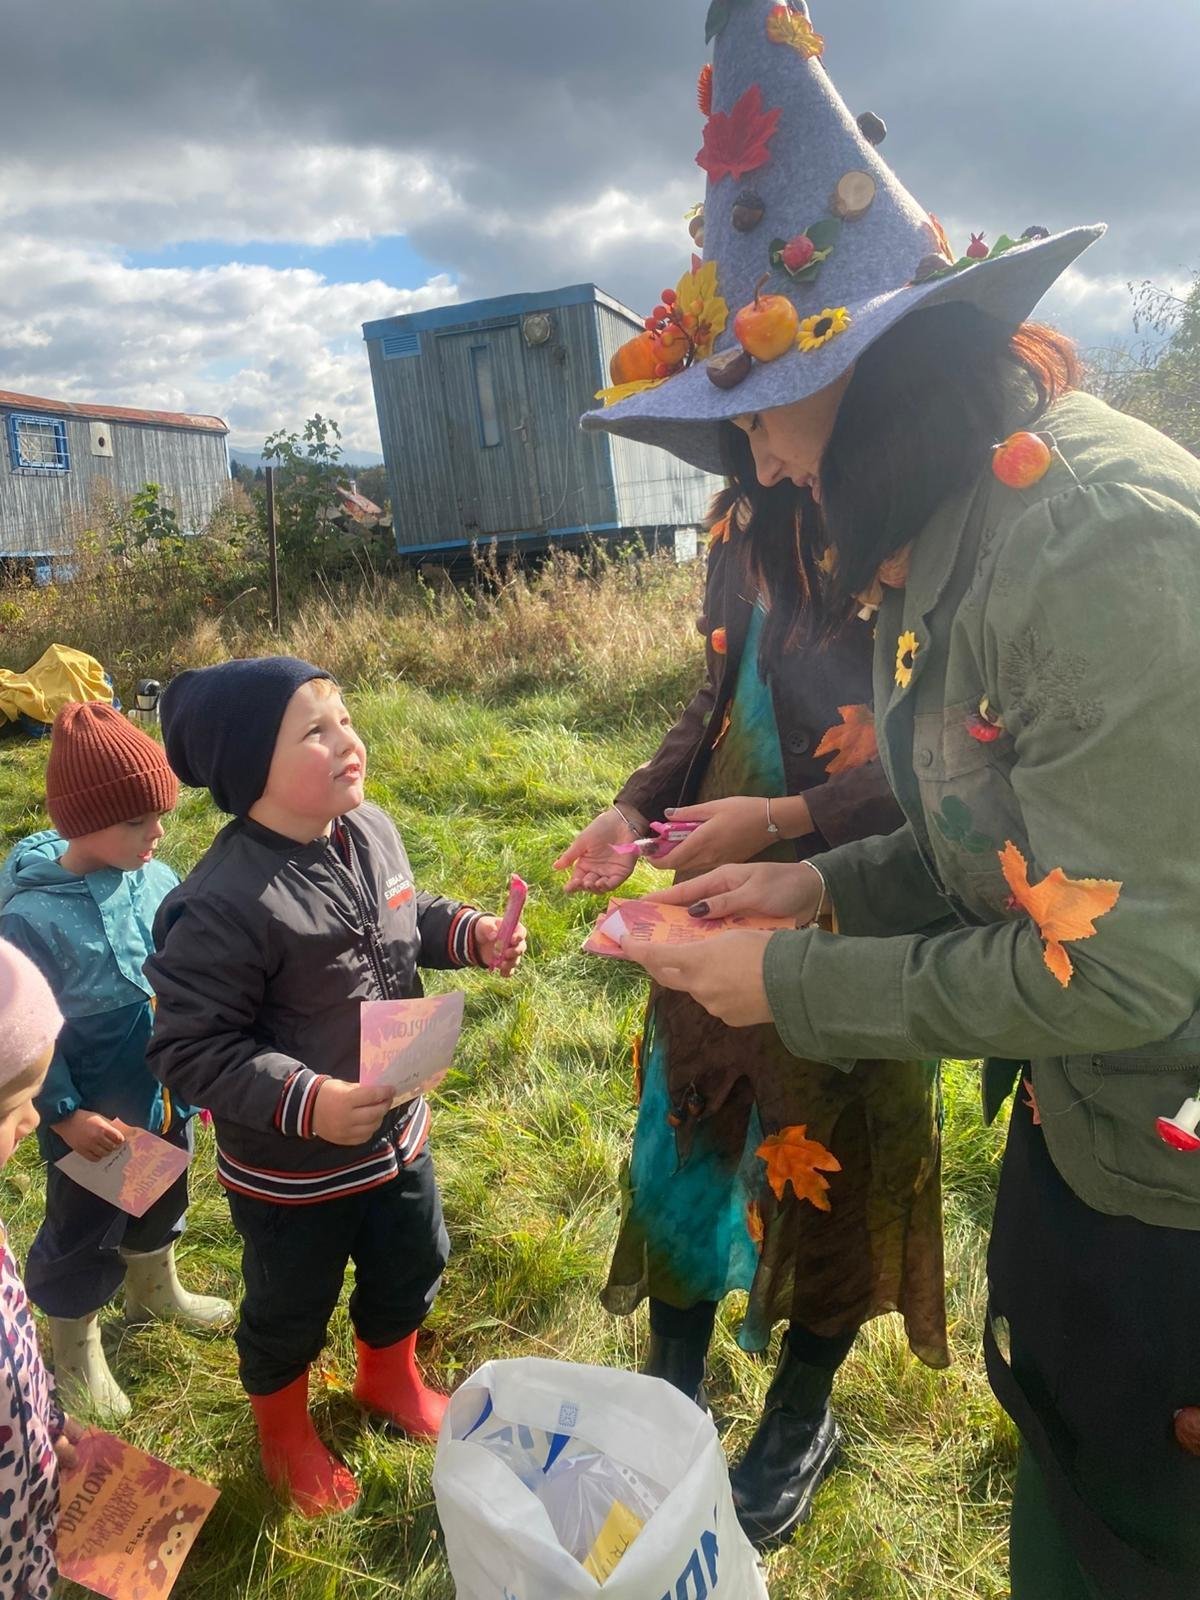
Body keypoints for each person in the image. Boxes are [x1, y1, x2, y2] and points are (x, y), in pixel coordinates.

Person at [583, 3, 1200, 1595]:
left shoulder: (1094, 545)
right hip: (1090, 1129)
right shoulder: (965, 529)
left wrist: (791, 975)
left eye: (761, 412)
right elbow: (1002, 846)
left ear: (870, 374)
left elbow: (1121, 968)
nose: (758, 462)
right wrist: (819, 888)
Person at [556, 484, 948, 1548]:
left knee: (833, 1158)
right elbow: (718, 692)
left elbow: (946, 753)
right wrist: (634, 807)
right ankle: (671, 1389)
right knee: (689, 1131)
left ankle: (801, 1411)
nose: (761, 455)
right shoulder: (742, 521)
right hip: (717, 884)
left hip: (853, 893)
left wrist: (785, 818)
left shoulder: (911, 522)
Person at [144, 658, 527, 1519]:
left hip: (397, 1128)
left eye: (344, 718)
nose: (347, 739)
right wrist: (308, 1100)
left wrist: (469, 935)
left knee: (414, 1258)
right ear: (252, 768)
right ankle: (284, 1432)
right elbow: (190, 1048)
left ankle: (389, 1377)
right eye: (314, 731)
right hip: (294, 1173)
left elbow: (404, 912)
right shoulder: (223, 902)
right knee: (290, 1304)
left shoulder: (368, 828)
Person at [0, 703, 232, 1423]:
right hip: (94, 1124)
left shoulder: (155, 878)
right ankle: (75, 1347)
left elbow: (185, 974)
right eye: (136, 821)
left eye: (159, 816)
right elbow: (26, 1036)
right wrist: (63, 1115)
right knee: (84, 1231)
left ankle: (153, 1291)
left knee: (162, 1196)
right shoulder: (29, 919)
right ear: (82, 822)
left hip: (165, 1096)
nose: (156, 833)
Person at [0, 936, 82, 1600]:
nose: (32, 1119)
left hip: (24, 1499)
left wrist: (45, 1419)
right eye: (11, 1107)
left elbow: (16, 1342)